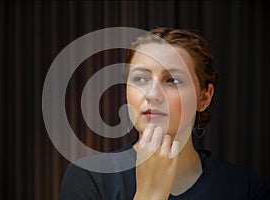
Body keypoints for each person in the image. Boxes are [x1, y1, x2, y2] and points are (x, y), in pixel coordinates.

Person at [59, 27, 270, 199]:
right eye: (140, 79)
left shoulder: (246, 189)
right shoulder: (89, 178)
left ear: (204, 97)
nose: (152, 94)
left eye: (172, 80)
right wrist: (150, 195)